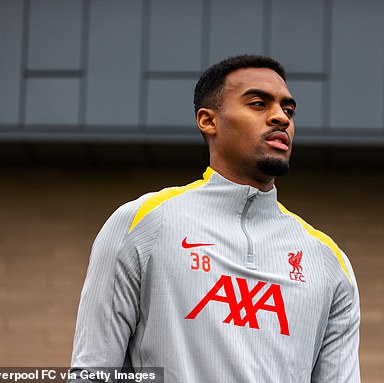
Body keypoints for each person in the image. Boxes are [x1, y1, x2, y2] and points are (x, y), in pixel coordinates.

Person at [70, 54, 360, 382]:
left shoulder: (329, 262)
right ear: (208, 121)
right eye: (258, 104)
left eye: (288, 110)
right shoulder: (141, 224)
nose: (280, 118)